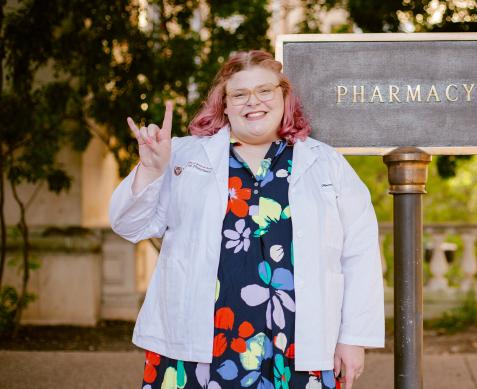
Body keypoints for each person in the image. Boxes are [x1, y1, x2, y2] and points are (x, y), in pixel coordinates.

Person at [109, 50, 385, 389]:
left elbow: (360, 254)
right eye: (239, 94)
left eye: (265, 90)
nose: (253, 102)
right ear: (224, 104)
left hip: (299, 346)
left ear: (285, 96)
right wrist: (152, 169)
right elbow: (129, 225)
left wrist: (353, 337)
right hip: (200, 347)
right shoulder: (181, 155)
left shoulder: (326, 163)